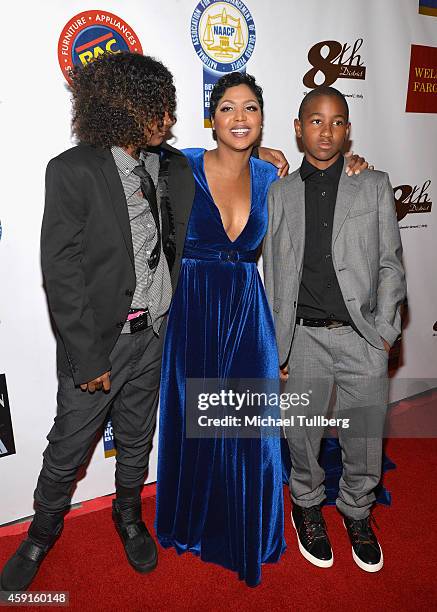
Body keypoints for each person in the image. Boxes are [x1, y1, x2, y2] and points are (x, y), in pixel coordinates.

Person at [0, 53, 288, 592]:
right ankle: (39, 536)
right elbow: (58, 271)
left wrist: (263, 154)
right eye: (159, 108)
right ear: (125, 107)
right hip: (100, 346)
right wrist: (86, 358)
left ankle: (129, 516)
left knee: (137, 439)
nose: (169, 119)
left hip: (158, 336)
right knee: (68, 445)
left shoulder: (173, 165)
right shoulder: (73, 169)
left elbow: (222, 156)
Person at [155, 73, 368, 586]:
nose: (240, 118)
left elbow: (318, 215)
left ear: (263, 118)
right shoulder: (180, 165)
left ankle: (249, 523)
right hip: (193, 308)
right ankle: (196, 519)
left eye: (250, 109)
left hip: (250, 307)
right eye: (228, 108)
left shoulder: (275, 179)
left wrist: (354, 166)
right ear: (213, 118)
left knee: (251, 425)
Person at [263, 86, 406, 572]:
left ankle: (357, 511)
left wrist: (385, 329)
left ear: (348, 130)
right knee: (300, 435)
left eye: (338, 121)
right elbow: (274, 272)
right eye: (316, 121)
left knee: (364, 437)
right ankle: (305, 504)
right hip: (300, 337)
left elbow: (390, 262)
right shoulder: (277, 190)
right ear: (299, 128)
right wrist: (276, 348)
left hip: (360, 336)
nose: (327, 130)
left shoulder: (373, 183)